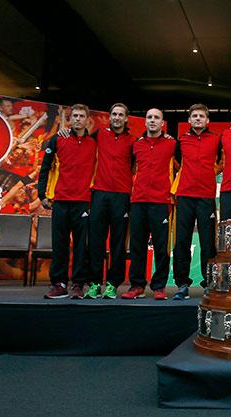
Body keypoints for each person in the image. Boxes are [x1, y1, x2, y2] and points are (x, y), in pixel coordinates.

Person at [38, 104, 97, 299]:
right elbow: (45, 167)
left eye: (81, 116)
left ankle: (78, 285)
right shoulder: (58, 139)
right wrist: (42, 195)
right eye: (75, 116)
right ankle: (59, 283)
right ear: (70, 119)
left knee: (81, 246)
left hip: (83, 201)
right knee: (60, 244)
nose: (78, 119)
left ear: (87, 120)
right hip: (61, 200)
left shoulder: (94, 143)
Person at [122, 108, 177, 300]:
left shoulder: (172, 144)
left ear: (162, 123)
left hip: (161, 201)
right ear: (145, 122)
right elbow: (128, 169)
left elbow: (182, 167)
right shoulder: (136, 145)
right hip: (138, 201)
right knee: (137, 245)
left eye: (156, 118)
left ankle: (159, 287)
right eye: (149, 118)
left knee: (161, 247)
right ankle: (137, 286)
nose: (152, 121)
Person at [84, 103, 136, 299]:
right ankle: (95, 283)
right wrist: (64, 132)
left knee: (118, 242)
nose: (116, 117)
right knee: (96, 240)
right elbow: (79, 141)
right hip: (99, 193)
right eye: (113, 114)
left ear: (126, 119)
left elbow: (135, 164)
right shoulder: (99, 135)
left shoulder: (132, 140)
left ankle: (113, 284)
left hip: (121, 195)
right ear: (110, 117)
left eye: (120, 114)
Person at [171, 104, 221, 300]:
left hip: (206, 196)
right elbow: (176, 163)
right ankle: (182, 284)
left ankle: (208, 284)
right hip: (184, 195)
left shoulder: (216, 140)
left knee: (208, 242)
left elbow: (221, 162)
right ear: (189, 120)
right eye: (194, 116)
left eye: (201, 116)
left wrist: (208, 175)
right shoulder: (181, 140)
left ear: (207, 120)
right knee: (182, 240)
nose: (198, 119)